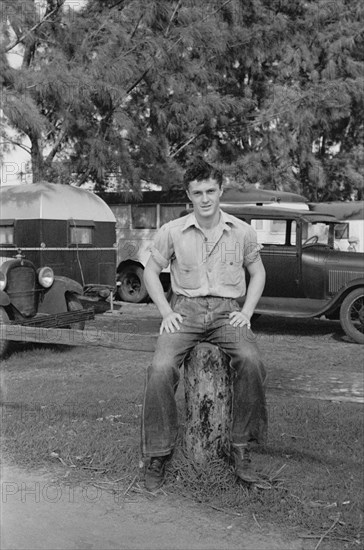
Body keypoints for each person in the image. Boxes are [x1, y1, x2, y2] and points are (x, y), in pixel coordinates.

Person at [141, 158, 268, 492]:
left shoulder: (242, 231)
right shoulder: (173, 231)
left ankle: (241, 447)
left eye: (211, 190)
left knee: (252, 361)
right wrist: (166, 312)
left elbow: (258, 273)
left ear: (221, 189)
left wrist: (248, 312)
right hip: (187, 310)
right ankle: (157, 454)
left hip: (228, 311)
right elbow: (150, 272)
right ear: (189, 194)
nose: (206, 198)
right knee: (160, 368)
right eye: (198, 192)